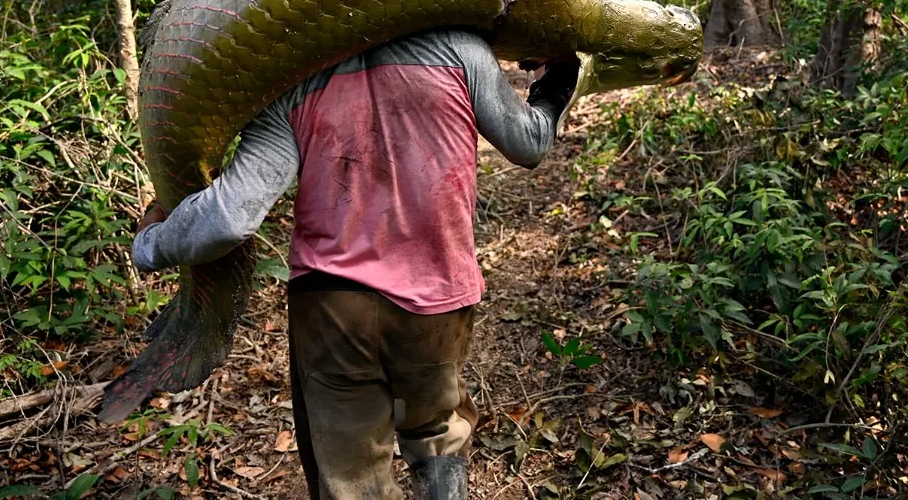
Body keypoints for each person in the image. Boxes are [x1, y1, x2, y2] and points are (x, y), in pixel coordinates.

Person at [131, 29, 580, 500]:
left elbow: (228, 218)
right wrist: (559, 79)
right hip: (435, 298)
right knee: (435, 427)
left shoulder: (297, 77)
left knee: (351, 474)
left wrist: (150, 244)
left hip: (331, 309)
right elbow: (530, 142)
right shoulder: (460, 52)